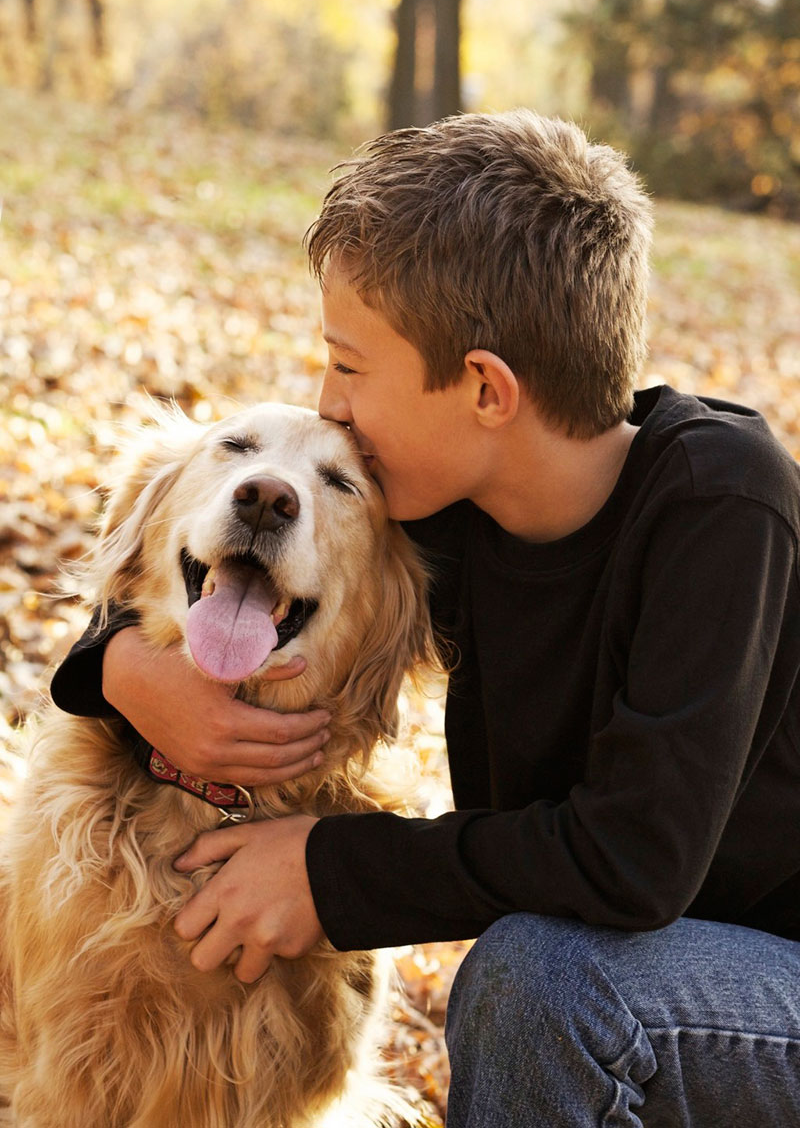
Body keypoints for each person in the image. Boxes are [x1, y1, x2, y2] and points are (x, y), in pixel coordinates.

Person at [51, 110, 800, 1126]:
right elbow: (237, 579)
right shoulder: (454, 521)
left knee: (540, 981)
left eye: (349, 366)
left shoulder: (722, 502)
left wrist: (331, 868)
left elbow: (633, 857)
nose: (332, 403)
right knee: (549, 970)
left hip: (768, 982)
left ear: (483, 389)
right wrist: (124, 673)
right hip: (652, 970)